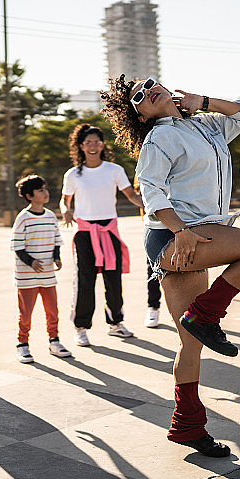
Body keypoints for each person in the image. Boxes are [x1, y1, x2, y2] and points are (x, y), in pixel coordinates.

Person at [102, 75, 240, 458]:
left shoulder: (204, 124)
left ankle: (187, 426)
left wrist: (204, 100)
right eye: (139, 97)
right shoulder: (158, 138)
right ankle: (207, 313)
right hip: (174, 236)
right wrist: (179, 231)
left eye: (150, 83)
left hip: (195, 234)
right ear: (141, 114)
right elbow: (150, 189)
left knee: (190, 343)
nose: (149, 92)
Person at [60, 123, 144, 347]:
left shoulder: (114, 170)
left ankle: (115, 323)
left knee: (113, 280)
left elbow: (130, 195)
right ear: (81, 146)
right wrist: (65, 210)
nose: (93, 146)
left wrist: (149, 205)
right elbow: (64, 200)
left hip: (109, 232)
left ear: (102, 144)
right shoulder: (73, 174)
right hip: (85, 233)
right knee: (85, 280)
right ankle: (81, 327)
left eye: (97, 141)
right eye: (88, 142)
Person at [11, 174, 72, 363]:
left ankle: (54, 341)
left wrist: (57, 258)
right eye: (40, 190)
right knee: (26, 314)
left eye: (45, 189)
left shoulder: (51, 216)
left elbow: (56, 241)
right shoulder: (23, 218)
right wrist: (31, 262)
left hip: (48, 276)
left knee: (52, 310)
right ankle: (22, 344)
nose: (45, 193)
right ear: (30, 196)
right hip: (26, 277)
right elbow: (17, 245)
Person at [134, 175, 162, 328]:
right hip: (155, 228)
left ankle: (187, 312)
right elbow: (142, 201)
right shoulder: (143, 169)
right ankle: (153, 307)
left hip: (181, 223)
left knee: (185, 270)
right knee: (153, 270)